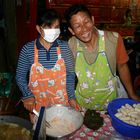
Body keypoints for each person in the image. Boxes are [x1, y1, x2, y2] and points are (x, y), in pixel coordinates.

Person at [64, 4, 140, 110]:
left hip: (111, 104)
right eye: (77, 26)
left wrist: (132, 94)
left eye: (86, 22)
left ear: (93, 20)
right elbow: (68, 74)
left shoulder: (113, 39)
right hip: (82, 106)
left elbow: (122, 67)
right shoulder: (70, 45)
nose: (84, 29)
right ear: (71, 31)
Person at [16, 9, 79, 123]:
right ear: (38, 28)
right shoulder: (28, 49)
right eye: (48, 27)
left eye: (56, 27)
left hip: (62, 104)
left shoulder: (64, 48)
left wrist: (71, 97)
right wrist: (27, 95)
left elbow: (70, 74)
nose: (53, 31)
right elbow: (20, 76)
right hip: (38, 106)